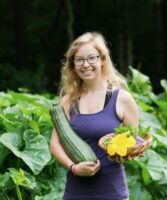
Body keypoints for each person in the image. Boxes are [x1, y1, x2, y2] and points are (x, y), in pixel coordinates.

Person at [50, 32, 144, 200]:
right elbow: (55, 144)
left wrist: (128, 151)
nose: (86, 65)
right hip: (75, 192)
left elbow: (134, 139)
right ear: (73, 65)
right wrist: (73, 167)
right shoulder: (68, 101)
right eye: (79, 60)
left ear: (102, 60)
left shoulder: (121, 98)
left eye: (91, 58)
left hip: (112, 192)